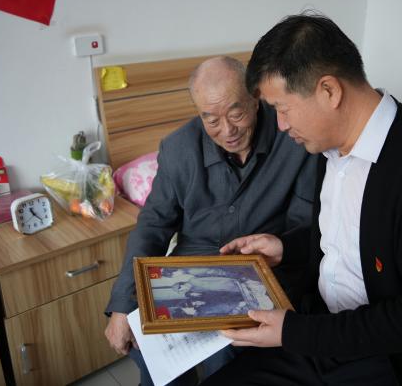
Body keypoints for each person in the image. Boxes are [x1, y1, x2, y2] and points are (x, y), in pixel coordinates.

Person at [202, 14, 402, 385]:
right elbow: (352, 242)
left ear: (329, 91)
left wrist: (294, 332)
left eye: (282, 109)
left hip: (392, 361)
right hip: (323, 334)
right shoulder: (329, 149)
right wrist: (286, 247)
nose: (281, 126)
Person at [104, 56, 317, 386]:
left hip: (263, 274)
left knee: (227, 357)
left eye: (236, 113)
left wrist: (278, 254)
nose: (228, 131)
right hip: (189, 271)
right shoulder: (178, 149)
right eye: (211, 119)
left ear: (255, 98)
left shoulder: (293, 138)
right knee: (150, 352)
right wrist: (123, 306)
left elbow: (305, 227)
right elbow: (153, 226)